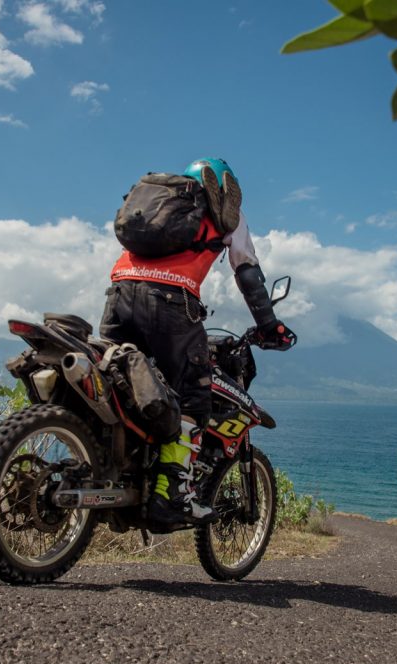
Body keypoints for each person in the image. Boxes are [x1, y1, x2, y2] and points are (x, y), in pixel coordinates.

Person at [100, 157, 296, 526]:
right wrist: (271, 326)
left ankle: (112, 470)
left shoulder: (158, 206)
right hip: (170, 302)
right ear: (226, 190)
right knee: (193, 395)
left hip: (118, 296)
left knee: (120, 383)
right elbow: (248, 274)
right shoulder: (225, 215)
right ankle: (170, 495)